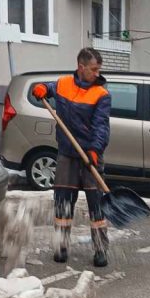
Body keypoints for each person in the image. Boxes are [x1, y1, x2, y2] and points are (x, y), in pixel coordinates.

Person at [32, 48, 111, 267]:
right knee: (63, 203)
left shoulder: (101, 94)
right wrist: (41, 88)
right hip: (67, 153)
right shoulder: (63, 84)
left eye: (98, 69)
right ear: (81, 67)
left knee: (96, 205)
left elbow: (101, 127)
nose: (97, 73)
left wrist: (95, 150)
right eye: (93, 69)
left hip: (90, 155)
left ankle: (101, 249)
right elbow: (48, 88)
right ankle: (61, 246)